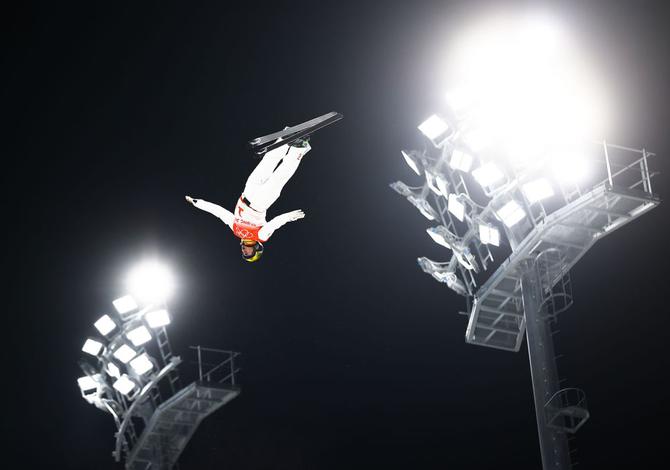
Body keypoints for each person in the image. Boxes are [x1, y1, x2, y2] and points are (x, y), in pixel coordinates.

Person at [186, 138, 311, 262]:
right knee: (280, 176)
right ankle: (298, 148)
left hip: (247, 193)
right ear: (256, 249)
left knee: (266, 164)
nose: (244, 252)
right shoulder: (260, 236)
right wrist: (289, 216)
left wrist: (197, 203)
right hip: (260, 203)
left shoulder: (236, 230)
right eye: (249, 254)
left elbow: (220, 213)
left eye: (244, 254)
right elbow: (274, 224)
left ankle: (283, 141)